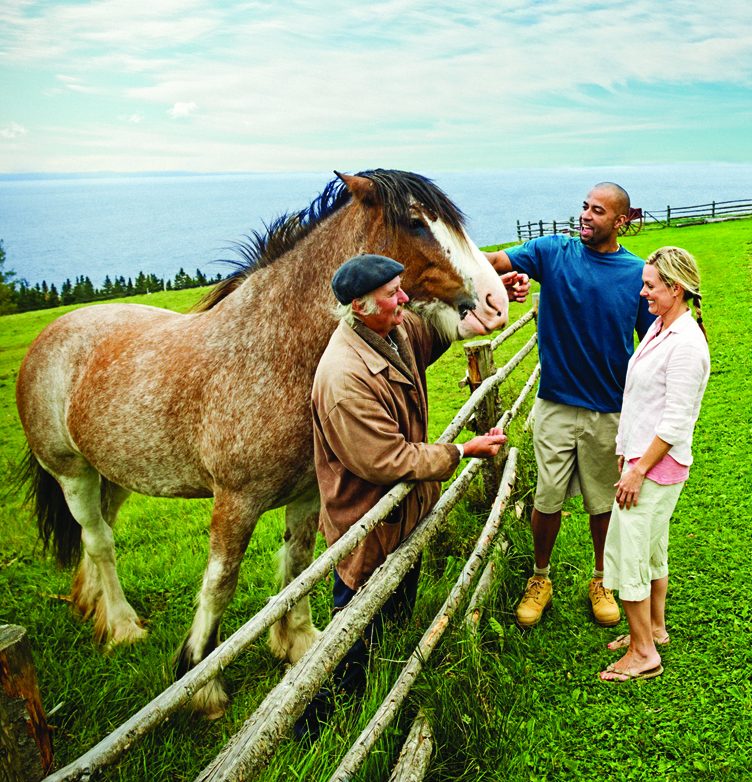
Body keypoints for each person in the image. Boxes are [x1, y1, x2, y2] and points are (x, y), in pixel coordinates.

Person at [298, 254, 507, 738]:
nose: (405, 299)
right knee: (355, 628)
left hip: (402, 516)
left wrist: (492, 299)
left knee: (394, 613)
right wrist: (461, 450)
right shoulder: (343, 378)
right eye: (394, 293)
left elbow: (438, 324)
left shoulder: (393, 330)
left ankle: (378, 692)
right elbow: (386, 460)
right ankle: (317, 727)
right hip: (367, 524)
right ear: (360, 305)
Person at [485, 183, 655, 628]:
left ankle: (601, 579)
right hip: (556, 403)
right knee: (548, 498)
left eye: (597, 211)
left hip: (609, 409)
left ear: (621, 221)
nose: (585, 215)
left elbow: (653, 345)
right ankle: (540, 578)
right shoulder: (552, 252)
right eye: (584, 206)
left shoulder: (636, 274)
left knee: (603, 503)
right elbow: (496, 262)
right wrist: (475, 271)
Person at [599, 246, 710, 681]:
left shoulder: (685, 343)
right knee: (652, 548)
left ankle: (644, 654)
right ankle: (655, 628)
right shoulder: (663, 326)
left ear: (676, 288)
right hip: (644, 461)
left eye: (650, 286)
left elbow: (677, 421)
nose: (642, 293)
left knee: (631, 554)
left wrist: (637, 468)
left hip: (653, 468)